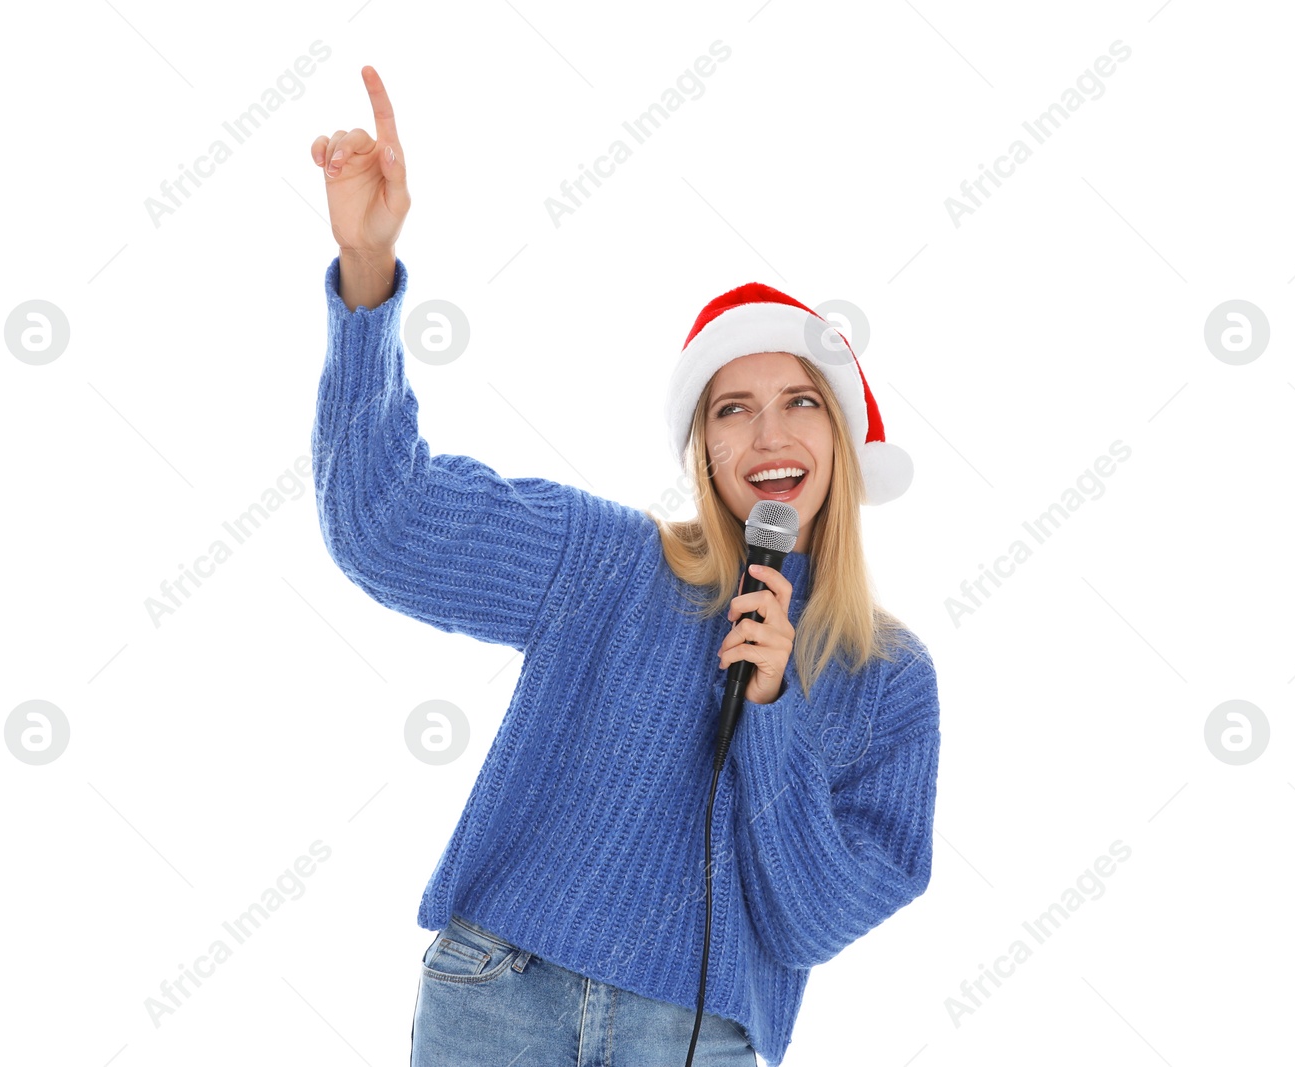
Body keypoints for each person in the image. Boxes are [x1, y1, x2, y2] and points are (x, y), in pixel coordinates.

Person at [309, 65, 940, 1067]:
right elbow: (380, 525)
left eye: (801, 399)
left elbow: (817, 918)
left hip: (695, 1036)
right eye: (731, 407)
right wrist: (366, 276)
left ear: (844, 438)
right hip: (499, 998)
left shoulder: (888, 678)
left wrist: (769, 707)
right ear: (704, 445)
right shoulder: (611, 561)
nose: (767, 431)